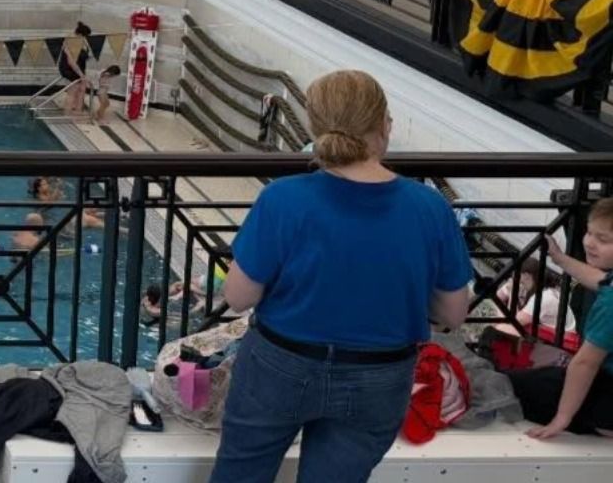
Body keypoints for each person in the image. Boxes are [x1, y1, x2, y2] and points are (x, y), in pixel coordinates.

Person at [208, 70, 472, 483]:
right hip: (379, 375)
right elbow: (454, 312)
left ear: (315, 127)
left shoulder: (284, 198)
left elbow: (238, 296)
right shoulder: (429, 207)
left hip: (282, 363)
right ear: (384, 125)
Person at [514, 198, 613, 439]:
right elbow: (600, 280)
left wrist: (561, 419)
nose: (590, 243)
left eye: (603, 239)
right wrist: (559, 258)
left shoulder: (611, 304)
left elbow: (585, 363)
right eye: (589, 233)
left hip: (606, 401)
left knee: (511, 384)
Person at [58, 23, 92, 114]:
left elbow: (80, 57)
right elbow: (71, 62)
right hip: (69, 69)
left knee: (82, 89)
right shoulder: (71, 41)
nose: (85, 38)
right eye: (85, 36)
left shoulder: (80, 41)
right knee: (72, 91)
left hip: (79, 68)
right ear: (80, 34)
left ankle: (78, 112)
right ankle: (67, 113)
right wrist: (81, 75)